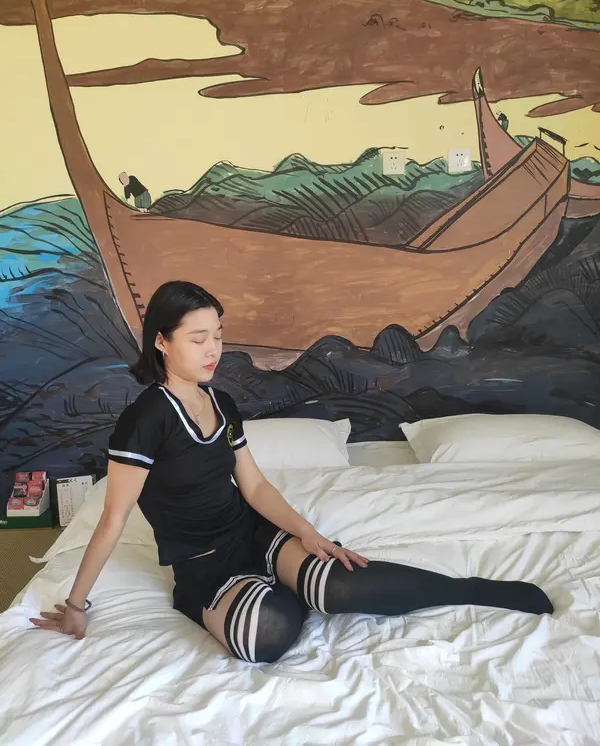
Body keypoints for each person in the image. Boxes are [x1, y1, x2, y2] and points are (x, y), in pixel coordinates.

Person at [30, 281, 554, 663]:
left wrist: (309, 534)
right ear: (162, 342)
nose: (213, 350)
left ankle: (473, 589)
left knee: (341, 586)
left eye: (218, 335)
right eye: (197, 338)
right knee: (267, 636)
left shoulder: (220, 402)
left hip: (252, 534)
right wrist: (77, 605)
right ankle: (289, 587)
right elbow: (113, 519)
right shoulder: (144, 419)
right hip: (202, 567)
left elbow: (254, 485)